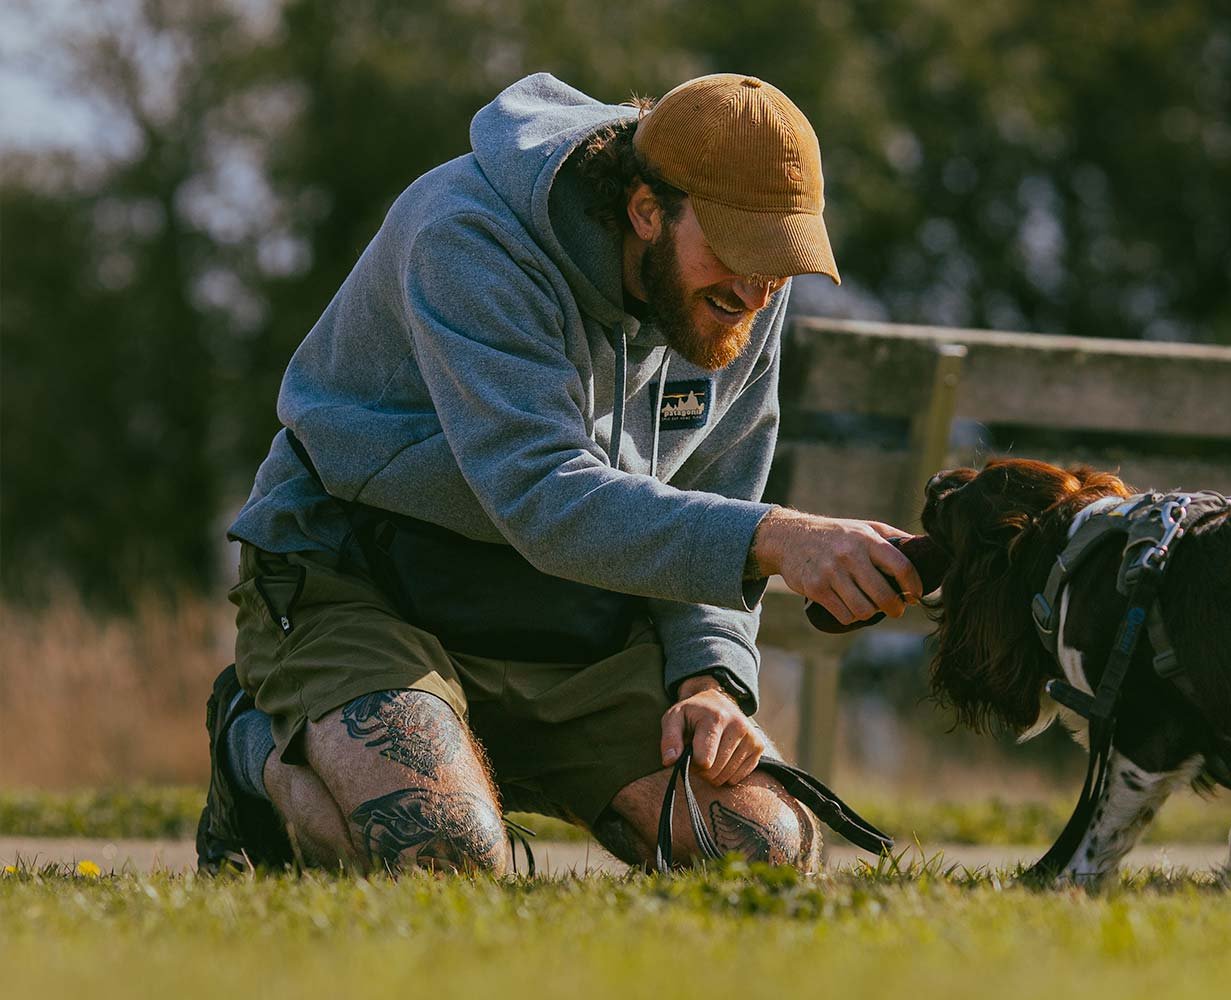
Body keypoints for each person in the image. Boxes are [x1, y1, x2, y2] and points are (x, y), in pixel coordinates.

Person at [197, 72, 921, 875]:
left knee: (761, 850)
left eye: (779, 261)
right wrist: (776, 537)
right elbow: (542, 495)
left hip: (574, 617)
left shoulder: (741, 288)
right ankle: (253, 748)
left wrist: (711, 679)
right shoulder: (469, 234)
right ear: (646, 209)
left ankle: (456, 757)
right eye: (737, 253)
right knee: (442, 853)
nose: (756, 288)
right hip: (365, 581)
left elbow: (716, 486)